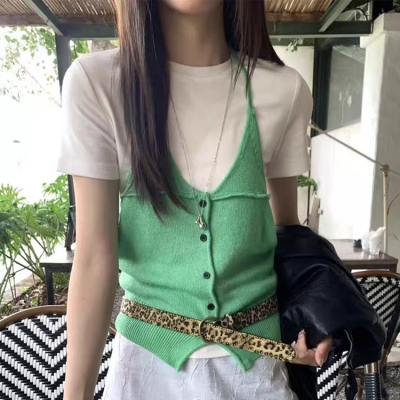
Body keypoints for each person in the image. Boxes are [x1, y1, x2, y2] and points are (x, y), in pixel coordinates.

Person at [58, 1, 332, 399]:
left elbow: (286, 234)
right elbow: (94, 256)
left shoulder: (284, 90)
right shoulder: (97, 83)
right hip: (144, 371)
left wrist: (309, 318)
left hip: (258, 371)